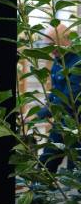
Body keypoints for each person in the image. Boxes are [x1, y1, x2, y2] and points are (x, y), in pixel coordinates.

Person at [38, 24, 81, 171]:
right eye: (47, 46)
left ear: (66, 40)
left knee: (74, 170)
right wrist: (38, 111)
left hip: (77, 124)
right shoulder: (57, 62)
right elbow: (56, 93)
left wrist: (40, 114)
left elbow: (68, 98)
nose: (50, 50)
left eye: (52, 45)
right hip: (61, 122)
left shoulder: (78, 63)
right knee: (45, 164)